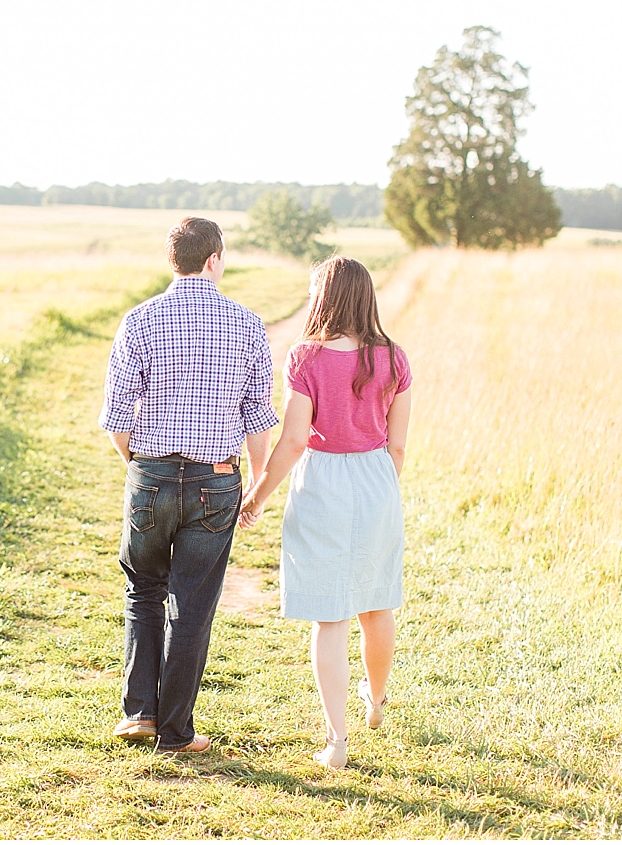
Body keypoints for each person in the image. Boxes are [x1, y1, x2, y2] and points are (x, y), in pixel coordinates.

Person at [99, 216, 278, 754]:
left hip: (150, 474)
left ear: (171, 260)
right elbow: (257, 418)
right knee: (193, 605)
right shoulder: (246, 323)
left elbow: (115, 420)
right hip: (215, 480)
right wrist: (252, 484)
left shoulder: (139, 320)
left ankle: (139, 713)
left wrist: (143, 465)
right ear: (215, 258)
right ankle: (176, 731)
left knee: (143, 590)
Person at [238, 256, 412, 770]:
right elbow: (398, 447)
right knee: (377, 605)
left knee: (329, 619)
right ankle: (376, 701)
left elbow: (293, 441)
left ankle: (336, 742)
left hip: (323, 481)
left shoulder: (306, 357)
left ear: (324, 297)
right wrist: (378, 488)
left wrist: (259, 495)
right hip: (377, 476)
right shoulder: (394, 358)